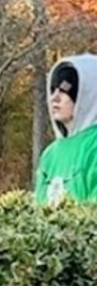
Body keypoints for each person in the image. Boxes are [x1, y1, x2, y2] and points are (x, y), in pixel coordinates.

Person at [36, 55, 97, 205]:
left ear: (87, 93)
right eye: (52, 90)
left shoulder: (93, 146)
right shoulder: (49, 155)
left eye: (65, 90)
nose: (54, 98)